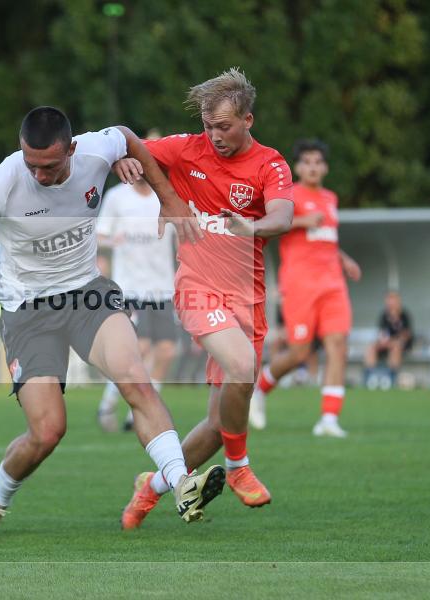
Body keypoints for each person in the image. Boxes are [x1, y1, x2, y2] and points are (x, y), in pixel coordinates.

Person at [0, 106, 223, 537]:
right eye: (32, 165)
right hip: (28, 310)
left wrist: (169, 199)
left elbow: (125, 134)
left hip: (88, 293)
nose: (39, 175)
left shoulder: (96, 151)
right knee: (47, 431)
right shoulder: (1, 183)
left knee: (135, 378)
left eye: (49, 165)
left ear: (73, 149)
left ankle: (181, 484)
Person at [116, 68, 294, 529]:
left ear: (248, 119)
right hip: (196, 288)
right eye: (207, 125)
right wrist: (125, 162)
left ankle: (151, 489)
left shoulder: (269, 164)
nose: (213, 136)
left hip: (247, 299)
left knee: (218, 425)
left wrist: (252, 226)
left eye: (224, 126)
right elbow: (119, 138)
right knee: (241, 368)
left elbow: (283, 214)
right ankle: (239, 468)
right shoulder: (186, 148)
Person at [248, 138, 361, 438]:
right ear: (297, 167)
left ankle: (329, 419)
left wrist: (345, 259)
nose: (312, 167)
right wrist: (301, 220)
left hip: (333, 283)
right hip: (300, 283)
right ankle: (260, 389)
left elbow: (326, 239)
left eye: (318, 162)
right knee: (299, 352)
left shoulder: (331, 198)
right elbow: (267, 223)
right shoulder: (289, 195)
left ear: (325, 167)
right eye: (307, 162)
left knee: (337, 344)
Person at [96, 131, 179, 433]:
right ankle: (109, 402)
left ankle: (139, 411)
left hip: (162, 287)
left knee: (168, 350)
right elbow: (99, 234)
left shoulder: (169, 195)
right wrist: (111, 241)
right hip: (130, 286)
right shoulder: (118, 197)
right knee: (139, 348)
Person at [364, 290, 413, 388]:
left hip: (401, 345)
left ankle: (391, 377)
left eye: (393, 299)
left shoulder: (404, 315)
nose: (390, 302)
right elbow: (382, 333)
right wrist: (383, 342)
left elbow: (406, 335)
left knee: (395, 347)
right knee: (371, 348)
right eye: (388, 300)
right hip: (386, 344)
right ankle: (370, 376)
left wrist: (393, 341)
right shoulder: (384, 316)